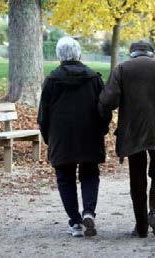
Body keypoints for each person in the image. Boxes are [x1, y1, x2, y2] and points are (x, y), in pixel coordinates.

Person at [98, 40, 155, 240]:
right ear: (151, 53)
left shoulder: (121, 69)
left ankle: (141, 227)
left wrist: (103, 120)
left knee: (137, 177)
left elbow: (108, 101)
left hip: (132, 132)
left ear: (132, 53)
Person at [37, 36, 110, 237]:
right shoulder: (93, 78)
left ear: (59, 55)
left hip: (61, 137)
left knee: (65, 178)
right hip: (89, 134)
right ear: (78, 53)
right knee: (90, 173)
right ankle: (88, 211)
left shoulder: (52, 80)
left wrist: (48, 137)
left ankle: (75, 222)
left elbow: (43, 114)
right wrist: (102, 129)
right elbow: (104, 109)